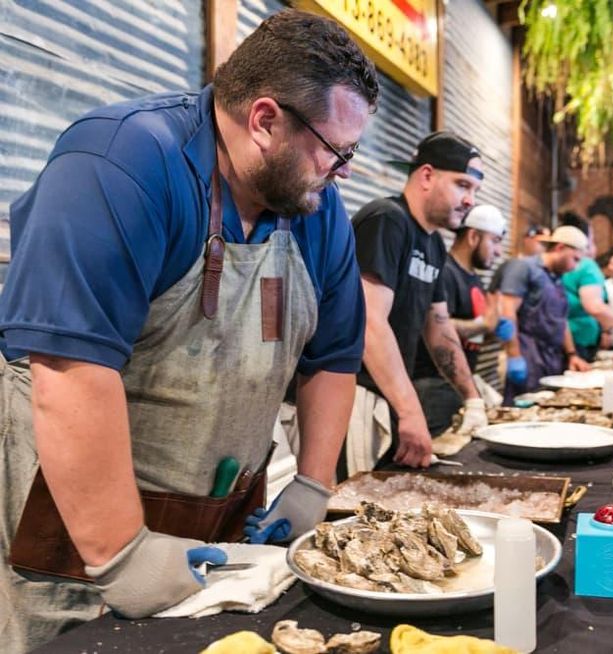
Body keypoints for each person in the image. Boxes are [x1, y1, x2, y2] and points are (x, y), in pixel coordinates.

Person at [0, 11, 378, 651]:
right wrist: (120, 554)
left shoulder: (314, 206)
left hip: (219, 518)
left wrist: (313, 484)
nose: (343, 170)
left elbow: (334, 359)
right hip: (76, 529)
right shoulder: (119, 164)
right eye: (336, 151)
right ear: (264, 120)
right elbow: (71, 372)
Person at [345, 131, 488, 476]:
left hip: (390, 393)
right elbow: (370, 322)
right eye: (462, 185)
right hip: (354, 395)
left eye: (474, 191)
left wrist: (472, 397)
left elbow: (439, 328)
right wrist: (411, 412)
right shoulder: (387, 220)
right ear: (426, 175)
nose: (470, 201)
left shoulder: (434, 245)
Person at [411, 204, 513, 436]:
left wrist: (493, 330)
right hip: (434, 387)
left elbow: (472, 326)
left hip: (457, 387)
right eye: (495, 241)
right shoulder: (445, 273)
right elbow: (433, 326)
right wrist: (483, 325)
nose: (498, 251)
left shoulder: (473, 278)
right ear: (474, 236)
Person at [490, 225, 591, 403]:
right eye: (575, 259)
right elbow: (507, 313)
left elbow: (562, 320)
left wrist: (572, 354)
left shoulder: (558, 278)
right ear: (560, 248)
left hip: (553, 360)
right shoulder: (524, 268)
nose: (575, 267)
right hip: (528, 357)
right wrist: (514, 356)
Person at [558, 212, 613, 360]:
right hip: (578, 343)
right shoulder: (586, 265)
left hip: (560, 342)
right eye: (592, 239)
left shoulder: (562, 266)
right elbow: (594, 306)